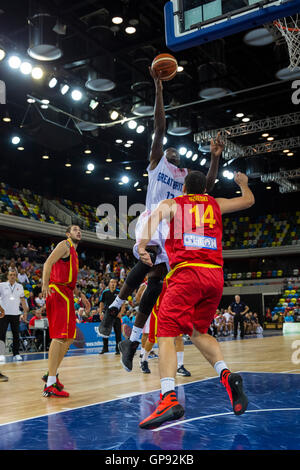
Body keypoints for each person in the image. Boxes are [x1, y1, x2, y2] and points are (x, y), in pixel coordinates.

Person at [100, 66, 223, 365]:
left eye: (178, 157)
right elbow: (159, 129)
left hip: (172, 231)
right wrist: (158, 90)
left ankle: (130, 341)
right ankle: (114, 307)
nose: (176, 157)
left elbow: (206, 187)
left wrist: (215, 158)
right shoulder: (157, 165)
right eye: (172, 154)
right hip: (154, 219)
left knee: (156, 284)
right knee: (148, 259)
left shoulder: (184, 179)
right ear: (161, 155)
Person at [136, 170, 254, 429]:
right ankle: (227, 375)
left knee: (166, 333)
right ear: (204, 191)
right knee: (197, 331)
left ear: (184, 188)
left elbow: (154, 217)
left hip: (187, 272)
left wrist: (142, 244)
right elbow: (248, 201)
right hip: (215, 276)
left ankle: (167, 399)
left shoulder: (174, 204)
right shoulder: (215, 203)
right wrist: (243, 184)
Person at [41, 224, 81, 397]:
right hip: (57, 291)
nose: (78, 231)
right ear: (67, 233)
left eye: (80, 230)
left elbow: (70, 278)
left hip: (67, 293)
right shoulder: (64, 245)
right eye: (74, 229)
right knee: (59, 337)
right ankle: (50, 384)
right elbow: (48, 262)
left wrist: (82, 296)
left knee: (70, 337)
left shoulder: (74, 253)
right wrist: (44, 284)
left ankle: (52, 373)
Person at [0, 269, 29, 362]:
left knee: (16, 335)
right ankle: (1, 354)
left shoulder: (20, 286)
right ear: (7, 276)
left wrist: (25, 312)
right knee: (1, 334)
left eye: (14, 275)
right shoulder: (2, 285)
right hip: (3, 314)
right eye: (10, 274)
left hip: (16, 314)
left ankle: (16, 354)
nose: (12, 276)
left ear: (16, 276)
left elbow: (23, 300)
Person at [98, 279, 124, 355]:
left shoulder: (119, 292)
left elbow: (123, 304)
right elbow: (101, 303)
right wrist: (100, 313)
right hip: (107, 315)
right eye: (111, 282)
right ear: (109, 284)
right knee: (104, 332)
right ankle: (105, 348)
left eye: (114, 282)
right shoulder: (105, 292)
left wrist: (121, 313)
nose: (113, 284)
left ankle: (118, 349)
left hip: (116, 315)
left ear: (116, 284)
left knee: (118, 333)